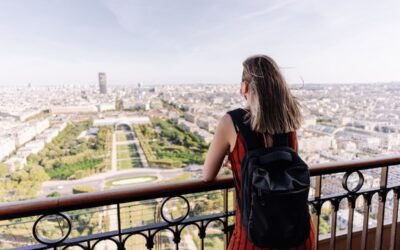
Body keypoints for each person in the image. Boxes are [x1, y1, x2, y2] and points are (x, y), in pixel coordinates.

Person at [203, 55, 316, 249]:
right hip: (296, 234)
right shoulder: (288, 123)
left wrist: (238, 162)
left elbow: (207, 175)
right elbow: (282, 165)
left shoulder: (231, 122)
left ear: (245, 88)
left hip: (254, 237)